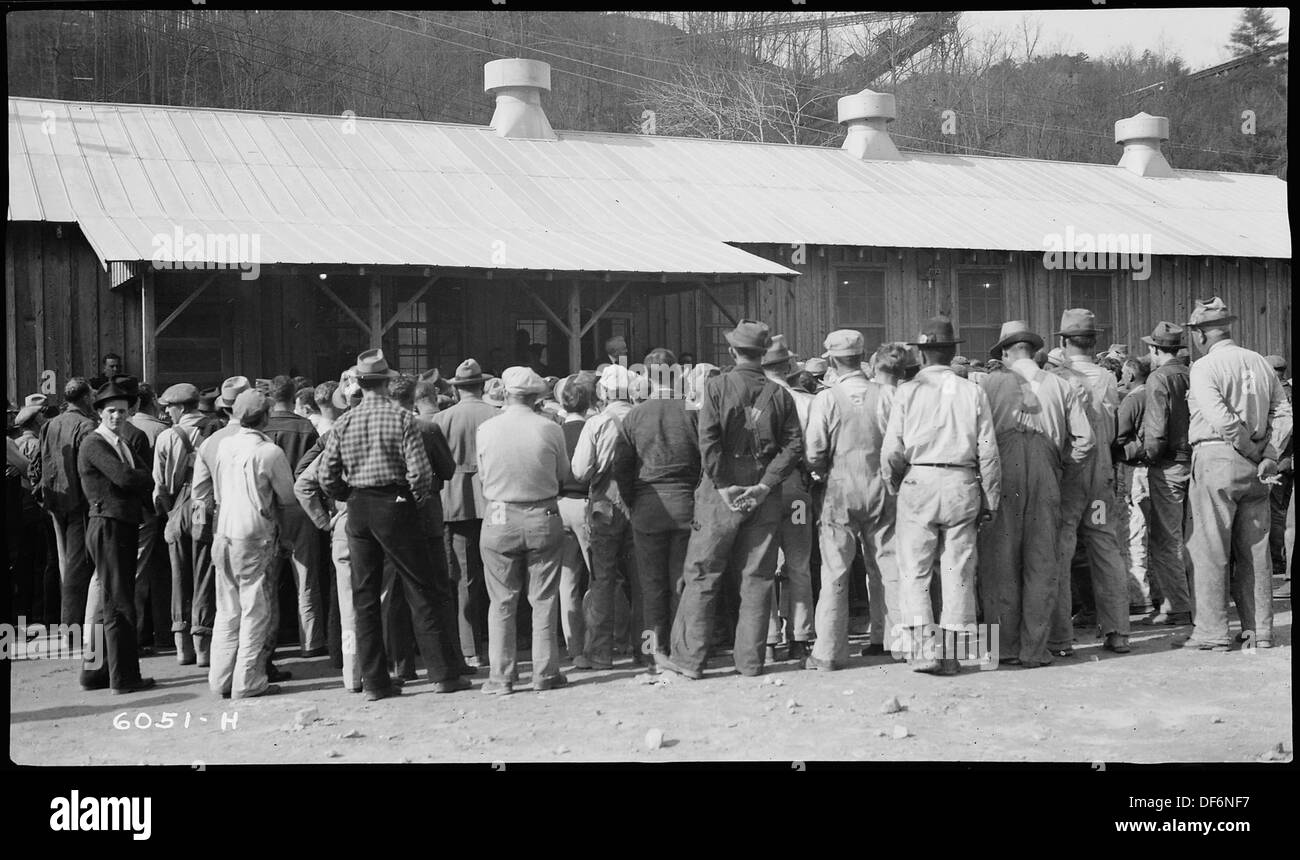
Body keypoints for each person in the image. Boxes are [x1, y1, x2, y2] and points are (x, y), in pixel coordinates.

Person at [319, 349, 471, 699]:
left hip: (358, 507)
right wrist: (412, 500)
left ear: (359, 383)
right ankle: (443, 675)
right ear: (387, 382)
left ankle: (375, 681)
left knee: (365, 596)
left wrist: (351, 493)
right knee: (420, 589)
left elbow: (327, 476)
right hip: (396, 503)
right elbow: (419, 472)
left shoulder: (344, 422)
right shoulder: (402, 418)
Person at [660, 320, 804, 679]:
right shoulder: (781, 394)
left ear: (732, 352)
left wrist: (724, 486)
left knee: (703, 573)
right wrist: (765, 485)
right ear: (765, 353)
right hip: (763, 490)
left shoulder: (715, 387)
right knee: (757, 576)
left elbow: (707, 441)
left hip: (719, 490)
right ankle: (751, 662)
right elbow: (794, 446)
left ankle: (689, 660)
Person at [882, 316, 1000, 676]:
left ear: (923, 353)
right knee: (958, 568)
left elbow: (891, 450)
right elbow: (988, 450)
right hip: (962, 479)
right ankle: (954, 653)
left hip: (920, 478)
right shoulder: (972, 390)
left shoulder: (908, 391)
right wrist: (991, 496)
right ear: (951, 352)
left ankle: (922, 650)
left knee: (915, 571)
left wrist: (895, 481)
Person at [1177, 298, 1292, 651]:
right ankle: (1260, 630)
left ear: (1199, 334)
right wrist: (1270, 453)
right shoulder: (1258, 361)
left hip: (1218, 458)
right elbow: (1284, 411)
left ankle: (1212, 631)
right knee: (1255, 550)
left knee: (1209, 547)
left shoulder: (1203, 367)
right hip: (1258, 466)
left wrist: (1251, 448)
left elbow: (1221, 418)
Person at [978, 321, 1093, 667]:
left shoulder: (989, 383)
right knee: (1041, 563)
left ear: (1005, 352)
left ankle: (1002, 648)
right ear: (1034, 351)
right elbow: (1085, 441)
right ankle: (1035, 649)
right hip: (1047, 471)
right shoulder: (1061, 385)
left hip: (1002, 469)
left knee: (999, 564)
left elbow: (977, 435)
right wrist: (1060, 467)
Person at [803, 331, 900, 670]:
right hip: (881, 487)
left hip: (839, 489)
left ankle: (829, 651)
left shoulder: (826, 400)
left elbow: (814, 451)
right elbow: (898, 444)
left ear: (831, 359)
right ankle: (890, 640)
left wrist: (821, 470)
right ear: (862, 356)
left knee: (836, 570)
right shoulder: (887, 394)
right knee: (887, 566)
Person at [475, 366, 573, 694]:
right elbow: (563, 472)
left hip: (499, 513)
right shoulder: (550, 428)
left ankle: (501, 677)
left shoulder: (486, 429)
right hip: (541, 512)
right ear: (536, 397)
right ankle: (545, 673)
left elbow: (484, 475)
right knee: (544, 598)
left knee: (501, 599)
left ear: (505, 393)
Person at [1047, 308, 1132, 657]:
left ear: (1064, 342)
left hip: (1069, 477)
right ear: (1094, 341)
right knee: (1104, 548)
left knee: (1061, 550)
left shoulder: (1054, 377)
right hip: (1099, 477)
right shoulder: (1107, 379)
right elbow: (1111, 429)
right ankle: (1117, 632)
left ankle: (1061, 637)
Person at [613, 350, 699, 664]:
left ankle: (652, 650)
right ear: (675, 372)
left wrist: (632, 500)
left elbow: (620, 466)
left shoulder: (634, 416)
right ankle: (681, 649)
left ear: (647, 376)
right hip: (685, 501)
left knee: (650, 583)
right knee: (681, 581)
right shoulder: (692, 411)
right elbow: (706, 458)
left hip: (647, 503)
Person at [208, 389, 296, 698]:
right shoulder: (269, 452)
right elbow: (287, 496)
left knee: (227, 609)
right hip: (254, 535)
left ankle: (220, 679)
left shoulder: (224, 445)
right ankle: (248, 681)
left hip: (223, 533)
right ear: (266, 417)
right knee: (255, 611)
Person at [77, 381, 156, 694]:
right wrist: (139, 478)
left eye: (123, 411)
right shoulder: (95, 443)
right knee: (119, 604)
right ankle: (123, 678)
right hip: (108, 525)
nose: (118, 416)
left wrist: (139, 479)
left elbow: (144, 477)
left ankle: (95, 673)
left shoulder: (120, 442)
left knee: (108, 602)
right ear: (99, 412)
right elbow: (128, 477)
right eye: (111, 411)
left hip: (118, 524)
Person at [295, 381, 362, 692]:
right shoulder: (394, 427)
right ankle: (383, 666)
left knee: (348, 602)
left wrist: (329, 519)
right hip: (383, 521)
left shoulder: (337, 434)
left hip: (346, 525)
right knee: (384, 598)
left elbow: (304, 483)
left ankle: (353, 674)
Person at [431, 359, 498, 669]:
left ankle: (471, 649)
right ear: (482, 386)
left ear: (456, 389)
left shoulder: (442, 419)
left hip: (456, 503)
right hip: (494, 501)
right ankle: (502, 641)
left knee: (465, 579)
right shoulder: (496, 415)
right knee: (500, 576)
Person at [573, 364, 640, 670]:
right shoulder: (643, 417)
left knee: (602, 578)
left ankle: (600, 652)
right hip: (640, 501)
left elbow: (581, 470)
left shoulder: (597, 423)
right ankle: (646, 647)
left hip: (604, 502)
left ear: (603, 392)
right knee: (642, 579)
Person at [759, 335, 815, 663]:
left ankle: (766, 640)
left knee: (763, 564)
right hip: (795, 489)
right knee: (798, 563)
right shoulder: (805, 401)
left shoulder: (754, 401)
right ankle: (800, 636)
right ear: (789, 366)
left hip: (763, 490)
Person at [264, 375, 324, 657]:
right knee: (306, 577)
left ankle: (269, 641)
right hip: (300, 506)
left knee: (269, 581)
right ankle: (310, 641)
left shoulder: (261, 427)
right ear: (294, 396)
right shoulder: (306, 427)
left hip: (269, 507)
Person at [1140, 322, 1194, 625]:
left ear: (1155, 350)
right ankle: (1197, 603)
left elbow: (1156, 431)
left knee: (1165, 538)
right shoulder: (1191, 373)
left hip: (1168, 465)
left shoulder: (1158, 378)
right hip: (1195, 462)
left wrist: (1147, 456)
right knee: (1194, 536)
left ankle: (1178, 606)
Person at [34, 378, 98, 627]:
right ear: (84, 398)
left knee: (63, 563)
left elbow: (37, 465)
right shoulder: (87, 425)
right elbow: (89, 467)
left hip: (54, 500)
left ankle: (68, 625)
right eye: (92, 396)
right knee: (77, 567)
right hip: (79, 503)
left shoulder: (49, 425)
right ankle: (72, 626)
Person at [153, 383, 206, 665]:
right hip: (204, 507)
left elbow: (160, 486)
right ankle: (203, 647)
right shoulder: (216, 429)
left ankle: (182, 646)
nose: (166, 412)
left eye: (169, 407)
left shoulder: (167, 437)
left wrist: (169, 514)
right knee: (204, 575)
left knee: (178, 577)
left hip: (178, 505)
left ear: (181, 408)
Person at [554, 373, 596, 664]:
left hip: (558, 505)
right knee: (599, 575)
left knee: (566, 580)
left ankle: (574, 646)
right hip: (585, 503)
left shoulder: (553, 431)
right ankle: (601, 640)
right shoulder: (593, 429)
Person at [1113, 356, 1157, 616]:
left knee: (1133, 535)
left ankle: (1139, 597)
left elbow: (1118, 435)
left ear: (1129, 376)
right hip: (1156, 470)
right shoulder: (1154, 393)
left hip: (1134, 471)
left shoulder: (1132, 399)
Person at [1262, 355, 1293, 597]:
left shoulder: (1273, 394)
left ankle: (1275, 560)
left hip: (1276, 461)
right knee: (1282, 511)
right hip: (1287, 462)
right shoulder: (1289, 390)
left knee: (1273, 511)